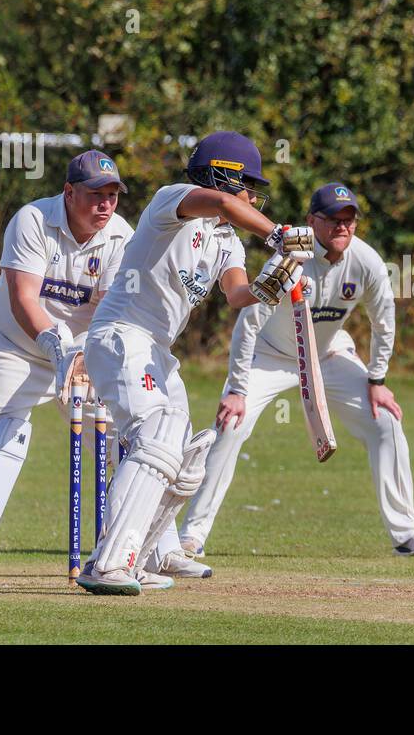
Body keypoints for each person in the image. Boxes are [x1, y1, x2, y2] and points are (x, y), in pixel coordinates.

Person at [75, 131, 314, 596]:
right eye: (248, 186)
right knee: (160, 436)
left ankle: (139, 560)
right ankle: (106, 564)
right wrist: (279, 234)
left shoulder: (227, 243)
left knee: (187, 461)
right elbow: (225, 206)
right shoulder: (173, 200)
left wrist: (275, 281)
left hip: (158, 351)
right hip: (121, 335)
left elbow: (238, 295)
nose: (253, 198)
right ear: (224, 176)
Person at [178, 182, 414, 560]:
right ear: (311, 221)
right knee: (230, 425)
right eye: (333, 220)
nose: (342, 228)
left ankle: (408, 535)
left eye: (349, 220)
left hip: (329, 354)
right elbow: (249, 324)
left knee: (386, 423)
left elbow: (384, 322)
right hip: (272, 354)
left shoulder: (366, 261)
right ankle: (191, 536)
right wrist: (236, 389)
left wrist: (377, 380)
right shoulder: (291, 258)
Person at [0, 150, 132, 582]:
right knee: (2, 434)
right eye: (94, 195)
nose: (104, 205)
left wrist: (81, 352)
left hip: (83, 352)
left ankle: (135, 551)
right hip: (15, 344)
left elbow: (108, 311)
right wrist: (57, 347)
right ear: (68, 192)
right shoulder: (32, 219)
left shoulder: (122, 238)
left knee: (122, 436)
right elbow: (23, 298)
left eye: (112, 195)